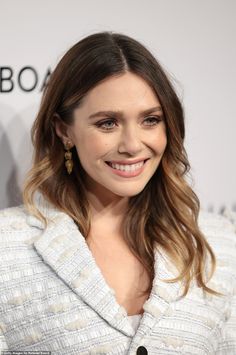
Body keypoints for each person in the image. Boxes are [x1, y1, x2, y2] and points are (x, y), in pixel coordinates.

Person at [0, 31, 235, 355]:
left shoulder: (219, 243)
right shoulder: (7, 250)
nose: (132, 145)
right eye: (108, 123)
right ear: (64, 130)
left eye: (150, 120)